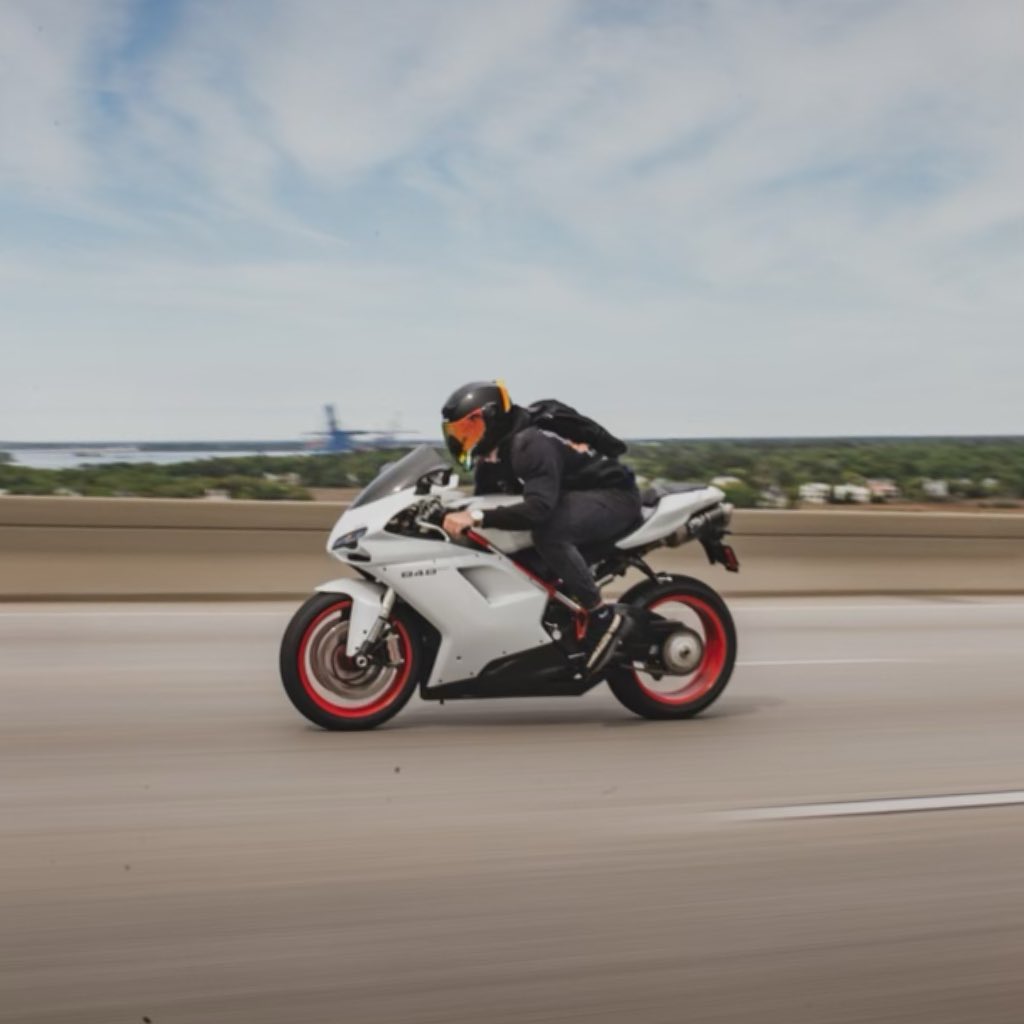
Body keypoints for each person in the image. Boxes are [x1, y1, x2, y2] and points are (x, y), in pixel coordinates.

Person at [440, 380, 642, 676]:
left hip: (614, 497)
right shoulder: (491, 458)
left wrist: (476, 517)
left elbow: (538, 509)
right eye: (458, 433)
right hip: (574, 498)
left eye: (469, 429)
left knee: (549, 533)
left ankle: (601, 616)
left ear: (492, 417)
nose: (464, 439)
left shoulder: (529, 444)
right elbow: (487, 502)